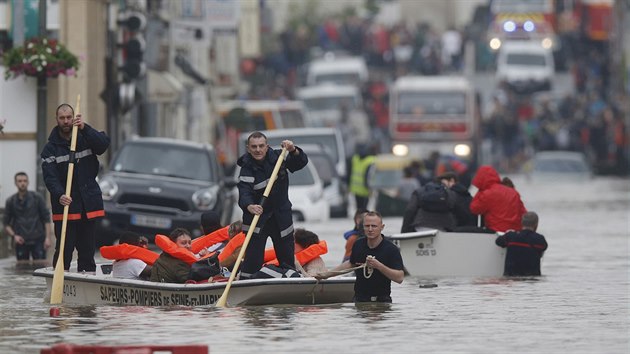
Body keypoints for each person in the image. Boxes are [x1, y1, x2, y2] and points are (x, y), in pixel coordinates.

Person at [41, 103, 110, 272]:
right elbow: (50, 178)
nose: (66, 121)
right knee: (64, 249)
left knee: (87, 250)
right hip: (66, 205)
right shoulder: (50, 149)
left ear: (74, 118)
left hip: (87, 204)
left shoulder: (85, 137)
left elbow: (102, 145)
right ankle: (58, 281)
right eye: (62, 118)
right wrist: (60, 194)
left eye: (69, 117)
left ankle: (86, 281)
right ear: (56, 119)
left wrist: (85, 128)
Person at [236, 131, 308, 279]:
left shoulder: (278, 158)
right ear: (248, 148)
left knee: (287, 260)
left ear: (267, 146)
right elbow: (244, 192)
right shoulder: (246, 168)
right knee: (252, 263)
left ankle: (288, 284)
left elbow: (300, 162)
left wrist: (293, 150)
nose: (258, 150)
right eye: (254, 147)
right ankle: (247, 286)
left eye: (261, 146)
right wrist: (250, 206)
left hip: (281, 217)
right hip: (257, 218)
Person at [316, 211, 404, 303]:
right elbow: (351, 264)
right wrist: (326, 275)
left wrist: (379, 266)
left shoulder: (391, 249)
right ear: (363, 227)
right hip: (360, 300)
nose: (370, 229)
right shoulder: (358, 244)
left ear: (382, 227)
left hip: (381, 301)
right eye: (367, 226)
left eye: (374, 226)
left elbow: (399, 278)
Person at [3, 172, 53, 264]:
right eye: (20, 181)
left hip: (38, 239)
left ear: (28, 182)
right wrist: (14, 236)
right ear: (15, 183)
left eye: (25, 181)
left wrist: (48, 238)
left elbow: (46, 219)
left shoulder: (37, 198)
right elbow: (6, 224)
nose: (22, 183)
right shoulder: (11, 201)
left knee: (40, 267)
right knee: (21, 269)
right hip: (21, 240)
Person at [469, 165, 527, 232]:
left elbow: (474, 208)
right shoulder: (513, 192)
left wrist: (481, 190)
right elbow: (523, 212)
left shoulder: (487, 193)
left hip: (495, 230)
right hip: (514, 231)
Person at [495, 212, 548, 276]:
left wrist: (508, 233)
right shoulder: (540, 239)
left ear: (521, 223)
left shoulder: (511, 236)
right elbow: (544, 248)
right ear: (536, 225)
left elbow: (498, 241)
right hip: (532, 280)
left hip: (512, 279)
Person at [349, 144, 375, 210]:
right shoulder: (371, 160)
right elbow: (370, 176)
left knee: (359, 209)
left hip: (356, 189)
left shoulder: (355, 159)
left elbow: (349, 172)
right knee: (363, 209)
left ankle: (360, 219)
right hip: (365, 189)